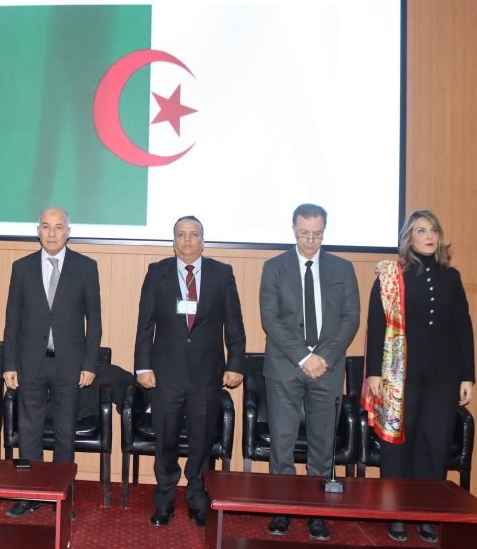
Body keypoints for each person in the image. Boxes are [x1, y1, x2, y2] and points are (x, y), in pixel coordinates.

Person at [363, 210, 475, 544]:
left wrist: (467, 375)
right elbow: (376, 324)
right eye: (421, 230)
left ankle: (427, 514)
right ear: (408, 237)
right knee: (398, 443)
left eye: (433, 231)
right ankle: (395, 513)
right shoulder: (391, 276)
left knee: (434, 442)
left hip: (443, 375)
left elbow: (463, 327)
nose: (428, 236)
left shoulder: (451, 277)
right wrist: (373, 373)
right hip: (401, 375)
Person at [134, 216, 246, 528]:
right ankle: (164, 501)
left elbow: (234, 324)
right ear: (173, 241)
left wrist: (236, 364)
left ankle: (197, 498)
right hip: (165, 374)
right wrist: (142, 366)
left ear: (203, 240)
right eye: (181, 235)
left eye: (193, 234)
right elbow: (145, 324)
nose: (187, 240)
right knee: (165, 440)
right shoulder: (156, 273)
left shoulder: (222, 274)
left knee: (202, 441)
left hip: (206, 375)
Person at [259, 203, 360, 541]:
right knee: (282, 445)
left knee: (322, 445)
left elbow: (351, 318)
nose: (310, 240)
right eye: (304, 233)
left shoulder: (343, 268)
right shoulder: (274, 267)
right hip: (285, 367)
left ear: (324, 231)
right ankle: (282, 510)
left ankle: (317, 513)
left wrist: (323, 357)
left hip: (327, 370)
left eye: (317, 234)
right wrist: (304, 357)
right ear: (294, 229)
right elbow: (270, 318)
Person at [1, 207, 102, 518]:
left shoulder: (86, 267)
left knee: (64, 434)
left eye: (59, 227)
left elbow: (95, 322)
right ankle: (30, 494)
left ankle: (62, 498)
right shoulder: (22, 267)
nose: (52, 233)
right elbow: (12, 320)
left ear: (68, 231)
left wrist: (90, 364)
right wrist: (8, 363)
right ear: (38, 231)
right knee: (28, 432)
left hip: (69, 366)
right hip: (30, 363)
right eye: (46, 226)